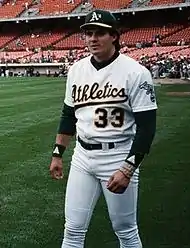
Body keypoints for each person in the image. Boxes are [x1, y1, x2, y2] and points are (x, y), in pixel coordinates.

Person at [49, 9, 157, 248]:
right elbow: (69, 115)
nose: (92, 39)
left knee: (126, 230)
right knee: (73, 230)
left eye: (100, 33)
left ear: (115, 36)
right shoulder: (77, 69)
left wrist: (128, 167)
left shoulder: (136, 72)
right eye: (88, 33)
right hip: (83, 157)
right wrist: (58, 153)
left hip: (118, 155)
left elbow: (147, 127)